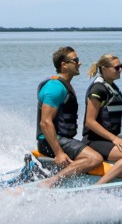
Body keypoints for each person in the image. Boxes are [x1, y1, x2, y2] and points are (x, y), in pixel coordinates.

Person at [36, 46, 103, 188]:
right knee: (95, 158)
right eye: (76, 60)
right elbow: (45, 122)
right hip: (51, 142)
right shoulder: (55, 87)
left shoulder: (63, 85)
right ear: (64, 65)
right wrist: (59, 153)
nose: (79, 63)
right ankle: (51, 182)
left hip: (62, 139)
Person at [82, 54, 122, 183]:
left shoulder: (112, 87)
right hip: (94, 140)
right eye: (117, 68)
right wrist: (115, 139)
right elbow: (90, 121)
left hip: (107, 139)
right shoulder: (98, 89)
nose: (121, 70)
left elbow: (108, 111)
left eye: (121, 66)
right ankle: (99, 186)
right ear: (104, 69)